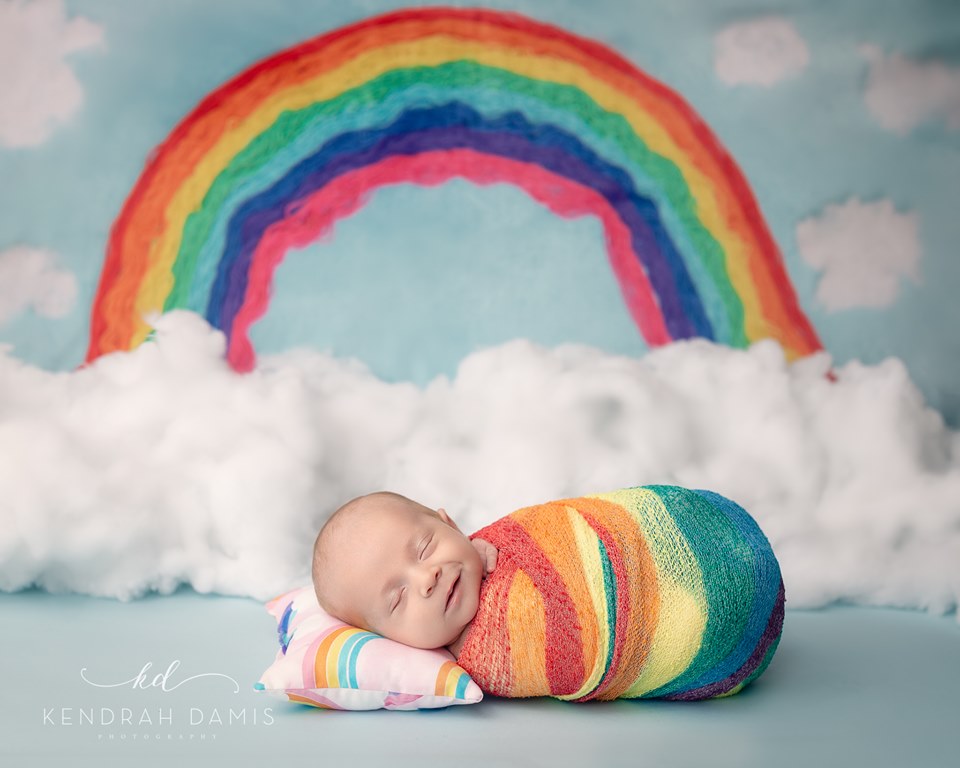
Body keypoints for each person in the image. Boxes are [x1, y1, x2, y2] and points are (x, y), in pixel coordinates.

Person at [312, 491, 498, 657]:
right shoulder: (429, 676)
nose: (427, 578)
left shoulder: (495, 551)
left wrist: (493, 544)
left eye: (424, 548)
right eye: (398, 598)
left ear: (450, 525)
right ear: (388, 639)